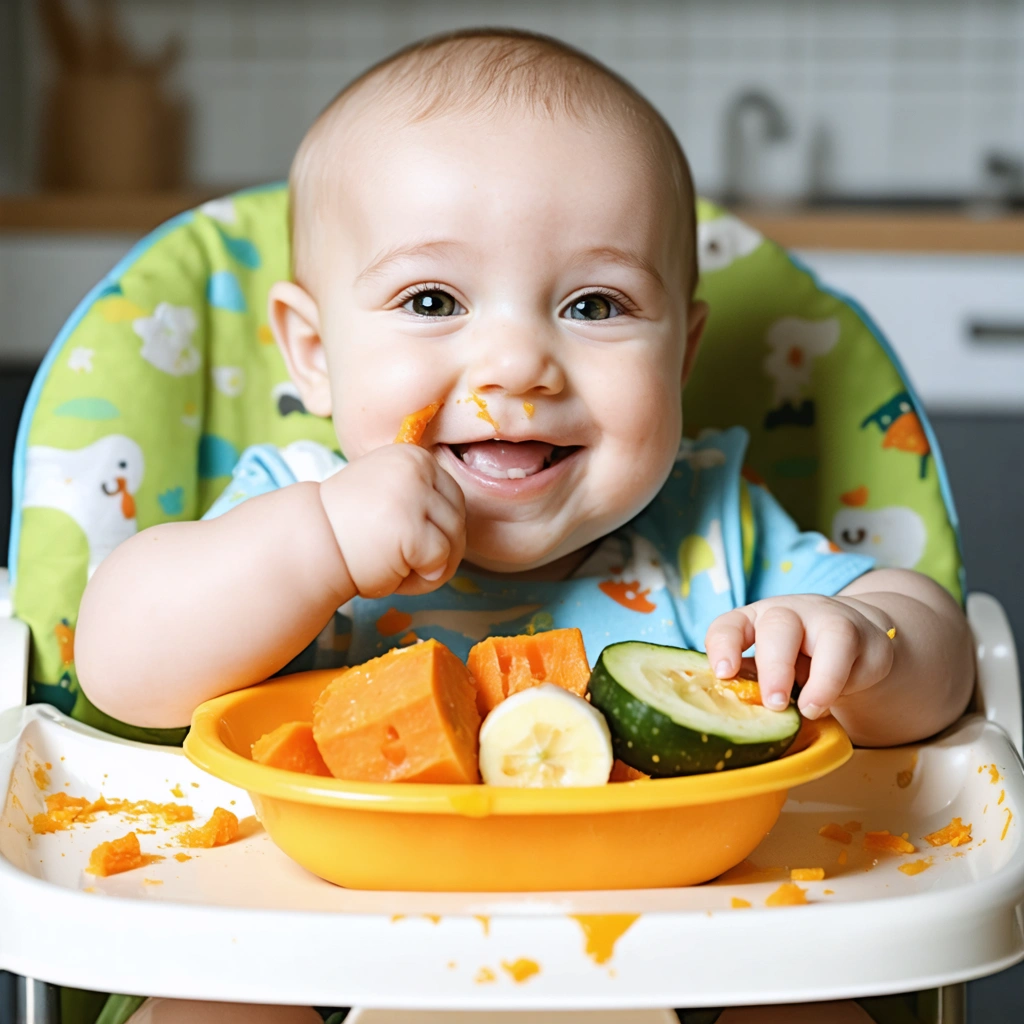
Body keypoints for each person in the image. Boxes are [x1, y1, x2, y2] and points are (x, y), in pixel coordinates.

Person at [75, 28, 974, 1024]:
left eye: (594, 304)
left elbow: (939, 668)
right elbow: (118, 660)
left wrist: (865, 646)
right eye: (431, 299)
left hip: (694, 961)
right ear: (314, 351)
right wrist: (319, 544)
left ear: (679, 359)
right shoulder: (288, 507)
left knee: (808, 1001)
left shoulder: (716, 532)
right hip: (314, 952)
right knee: (213, 1000)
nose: (517, 367)